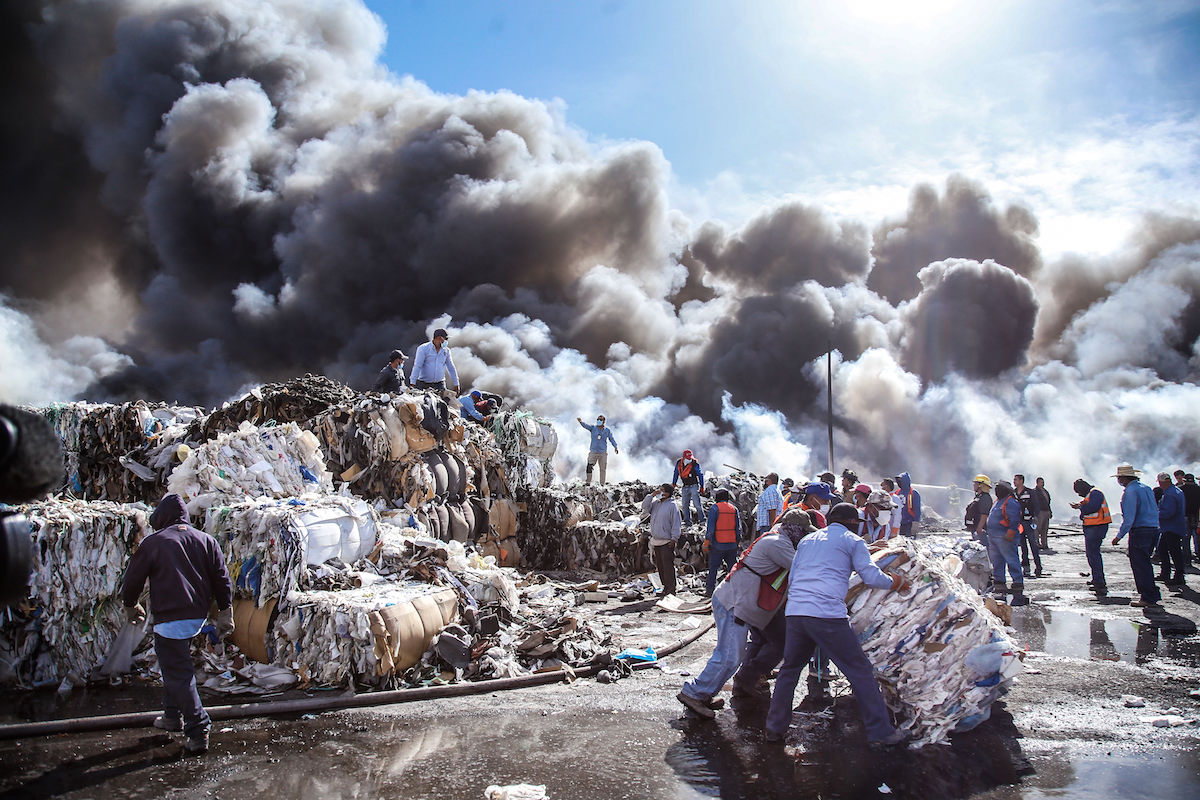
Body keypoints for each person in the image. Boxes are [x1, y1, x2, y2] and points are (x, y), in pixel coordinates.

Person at [763, 503, 911, 746]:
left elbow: (795, 575)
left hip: (797, 612)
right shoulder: (853, 541)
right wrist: (895, 582)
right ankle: (881, 732)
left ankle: (774, 728)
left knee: (789, 671)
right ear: (853, 522)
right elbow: (870, 576)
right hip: (827, 615)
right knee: (860, 670)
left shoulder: (807, 542)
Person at [120, 494, 233, 755]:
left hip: (170, 617)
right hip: (196, 617)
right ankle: (171, 716)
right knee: (173, 665)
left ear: (162, 517)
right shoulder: (207, 540)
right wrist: (226, 611)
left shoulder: (154, 542)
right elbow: (221, 578)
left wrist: (130, 604)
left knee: (179, 673)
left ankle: (198, 728)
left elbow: (133, 578)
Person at [677, 510, 817, 719]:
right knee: (730, 655)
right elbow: (803, 568)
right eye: (804, 533)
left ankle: (705, 693)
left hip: (737, 600)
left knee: (730, 653)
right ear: (795, 529)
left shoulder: (777, 538)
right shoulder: (777, 543)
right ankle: (695, 693)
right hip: (734, 602)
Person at [1112, 464, 1162, 610]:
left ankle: (1147, 596)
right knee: (1146, 563)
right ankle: (1152, 593)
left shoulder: (1130, 492)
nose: (1119, 480)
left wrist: (1119, 536)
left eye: (1119, 478)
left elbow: (1129, 517)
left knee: (1140, 565)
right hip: (1153, 528)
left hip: (1140, 531)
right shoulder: (1146, 488)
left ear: (1124, 478)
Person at [986, 481, 1028, 606]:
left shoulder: (1010, 501)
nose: (996, 490)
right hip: (994, 537)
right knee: (997, 561)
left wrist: (1010, 533)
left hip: (1005, 538)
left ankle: (1017, 582)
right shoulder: (998, 501)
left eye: (999, 488)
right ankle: (999, 581)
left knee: (1011, 559)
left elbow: (1014, 519)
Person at [1070, 479, 1111, 597]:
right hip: (1093, 527)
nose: (1079, 494)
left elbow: (1092, 508)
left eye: (1078, 492)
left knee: (1093, 554)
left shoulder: (1095, 493)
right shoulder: (1091, 494)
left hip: (1096, 527)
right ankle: (1096, 578)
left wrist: (1081, 508)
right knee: (1092, 554)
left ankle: (1099, 582)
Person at [643, 484, 681, 596]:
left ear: (668, 493)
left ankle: (671, 589)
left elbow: (676, 523)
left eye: (662, 491)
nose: (660, 492)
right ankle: (665, 587)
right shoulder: (655, 504)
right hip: (656, 541)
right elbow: (644, 506)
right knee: (660, 566)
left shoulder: (672, 506)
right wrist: (651, 495)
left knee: (667, 566)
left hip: (667, 541)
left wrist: (674, 538)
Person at [703, 488, 741, 596]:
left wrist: (706, 543)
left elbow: (710, 529)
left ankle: (710, 591)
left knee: (713, 568)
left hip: (718, 545)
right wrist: (737, 542)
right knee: (732, 570)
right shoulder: (734, 509)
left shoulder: (715, 508)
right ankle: (734, 591)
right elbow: (738, 528)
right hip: (732, 545)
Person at [1156, 472, 1187, 588]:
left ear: (1166, 482)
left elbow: (1169, 512)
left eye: (1160, 482)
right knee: (1164, 550)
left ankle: (1178, 576)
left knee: (1174, 552)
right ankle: (1167, 573)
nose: (1160, 485)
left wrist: (1156, 514)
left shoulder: (1170, 494)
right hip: (1174, 526)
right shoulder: (1176, 491)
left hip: (1171, 527)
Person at [411, 328, 460, 393]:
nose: (446, 341)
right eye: (446, 339)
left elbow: (451, 367)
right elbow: (417, 366)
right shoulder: (423, 348)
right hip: (424, 384)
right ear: (439, 338)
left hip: (440, 384)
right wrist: (412, 382)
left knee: (446, 402)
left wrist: (456, 383)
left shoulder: (446, 351)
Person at [1012, 474, 1043, 578]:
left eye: (1016, 480)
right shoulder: (1013, 493)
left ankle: (1038, 567)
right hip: (1018, 523)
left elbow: (1036, 505)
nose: (1014, 482)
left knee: (1033, 544)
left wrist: (1035, 517)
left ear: (1021, 481)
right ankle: (1026, 567)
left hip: (1028, 522)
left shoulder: (1030, 492)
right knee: (1023, 546)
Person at [576, 415, 618, 485]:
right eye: (598, 419)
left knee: (602, 469)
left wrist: (615, 446)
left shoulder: (607, 430)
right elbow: (586, 426)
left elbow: (611, 439)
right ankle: (588, 482)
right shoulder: (593, 428)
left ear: (603, 422)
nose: (598, 421)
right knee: (589, 466)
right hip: (593, 452)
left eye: (600, 420)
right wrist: (581, 422)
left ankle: (602, 485)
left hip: (602, 453)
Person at [672, 449, 706, 526]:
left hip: (694, 485)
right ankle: (687, 522)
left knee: (697, 504)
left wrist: (702, 487)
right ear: (684, 457)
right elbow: (676, 473)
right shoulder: (679, 463)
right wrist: (674, 483)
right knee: (685, 505)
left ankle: (702, 520)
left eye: (690, 457)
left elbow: (700, 475)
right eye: (688, 458)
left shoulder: (694, 463)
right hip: (685, 486)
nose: (689, 459)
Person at [1175, 470, 1199, 569]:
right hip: (1197, 517)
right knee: (1197, 539)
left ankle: (1187, 560)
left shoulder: (1181, 489)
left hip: (1184, 516)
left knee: (1185, 540)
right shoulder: (1198, 489)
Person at [964, 474, 993, 545]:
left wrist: (979, 528)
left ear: (981, 485)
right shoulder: (979, 497)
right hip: (975, 528)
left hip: (980, 530)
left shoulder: (985, 498)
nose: (974, 485)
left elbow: (984, 514)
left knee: (982, 550)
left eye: (975, 483)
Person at [895, 472, 921, 537]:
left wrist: (916, 523)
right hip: (899, 523)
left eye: (901, 480)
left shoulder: (913, 493)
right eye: (898, 480)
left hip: (909, 523)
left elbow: (917, 509)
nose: (899, 482)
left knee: (909, 542)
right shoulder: (897, 492)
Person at [1034, 477, 1053, 552]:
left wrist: (1050, 511)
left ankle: (1044, 544)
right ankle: (1037, 543)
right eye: (1041, 482)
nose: (1043, 484)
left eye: (1043, 482)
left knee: (1045, 529)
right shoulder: (1035, 492)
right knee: (1038, 528)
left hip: (1046, 511)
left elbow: (1048, 502)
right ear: (1037, 483)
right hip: (1040, 512)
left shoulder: (1045, 491)